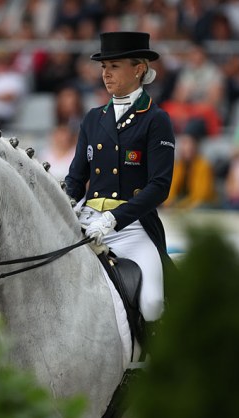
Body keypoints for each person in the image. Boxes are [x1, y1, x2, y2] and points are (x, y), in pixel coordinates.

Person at [64, 31, 175, 334]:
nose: (106, 74)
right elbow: (76, 178)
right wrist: (66, 206)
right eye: (103, 67)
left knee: (152, 303)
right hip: (87, 222)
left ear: (138, 68)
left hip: (131, 228)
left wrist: (114, 219)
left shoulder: (155, 119)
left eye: (114, 66)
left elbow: (160, 186)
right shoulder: (92, 118)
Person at [163, 118, 217, 209]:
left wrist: (180, 206)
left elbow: (200, 197)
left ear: (196, 145)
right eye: (183, 143)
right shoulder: (178, 165)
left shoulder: (203, 166)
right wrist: (169, 203)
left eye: (188, 143)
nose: (184, 147)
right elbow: (170, 191)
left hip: (201, 209)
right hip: (180, 207)